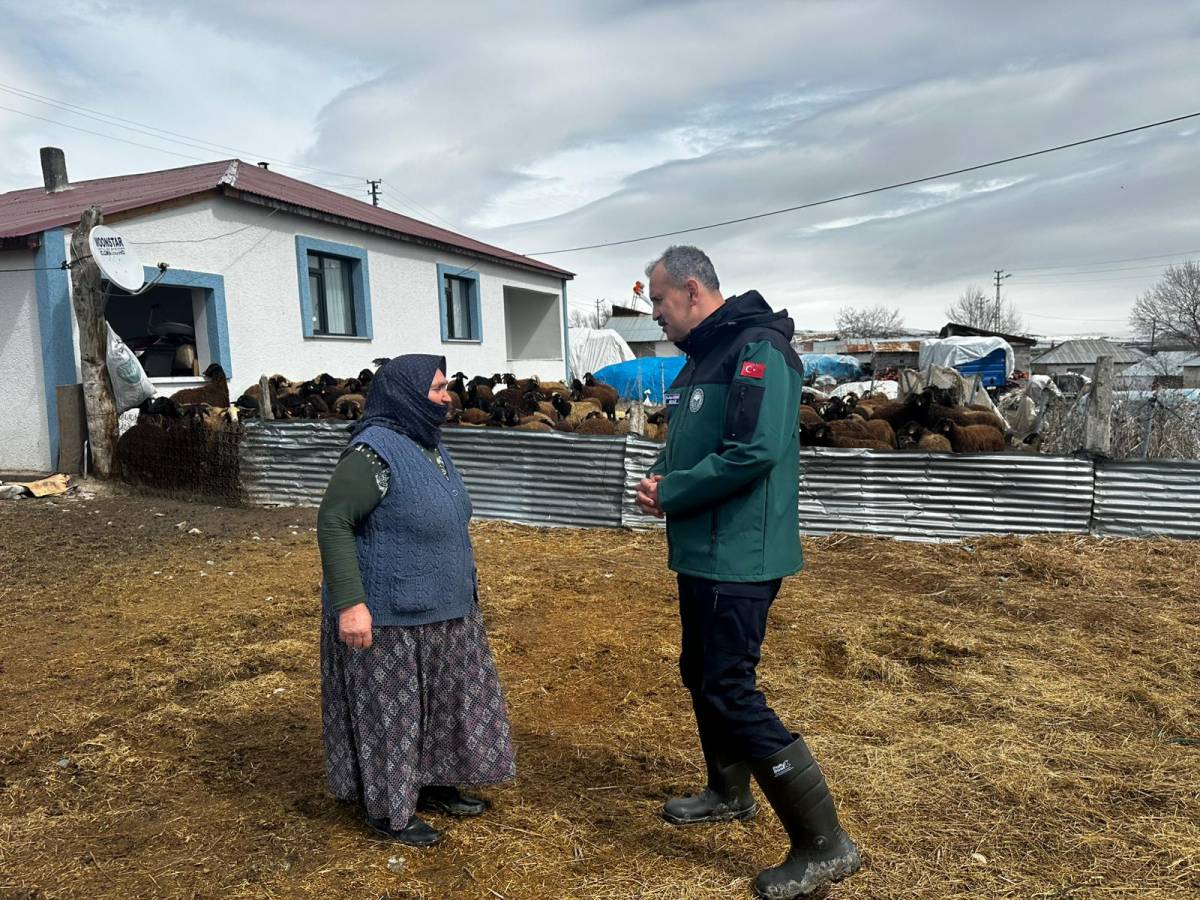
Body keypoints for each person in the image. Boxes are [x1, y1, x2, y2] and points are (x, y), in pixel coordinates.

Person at [634, 246, 860, 899]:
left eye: (659, 301)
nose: (656, 314)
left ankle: (827, 844)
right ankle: (729, 791)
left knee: (731, 686)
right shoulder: (708, 355)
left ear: (694, 290)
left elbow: (753, 450)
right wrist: (665, 482)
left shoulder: (757, 349)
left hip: (740, 552)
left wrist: (672, 492)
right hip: (704, 548)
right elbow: (705, 441)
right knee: (699, 673)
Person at [317, 354, 515, 846]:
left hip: (445, 609)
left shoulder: (429, 443)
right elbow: (333, 522)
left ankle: (430, 784)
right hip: (389, 614)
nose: (446, 397)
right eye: (436, 389)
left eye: (446, 387)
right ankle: (389, 811)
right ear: (404, 394)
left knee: (444, 704)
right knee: (393, 715)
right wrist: (350, 605)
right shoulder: (373, 452)